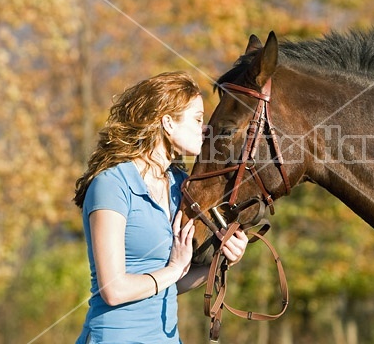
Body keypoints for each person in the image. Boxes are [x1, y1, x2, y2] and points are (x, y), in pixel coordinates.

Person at [74, 71, 248, 343]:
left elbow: (171, 285)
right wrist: (173, 269)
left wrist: (222, 260)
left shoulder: (180, 185)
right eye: (198, 119)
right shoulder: (111, 184)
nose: (206, 129)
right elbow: (114, 290)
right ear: (167, 122)